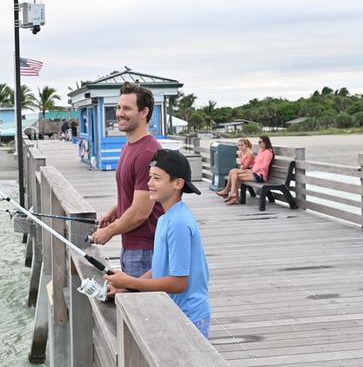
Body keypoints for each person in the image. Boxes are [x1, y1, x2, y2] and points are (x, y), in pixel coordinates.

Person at [106, 149, 211, 337]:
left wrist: (130, 280)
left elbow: (179, 283)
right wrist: (127, 286)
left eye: (156, 178)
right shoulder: (165, 218)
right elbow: (159, 268)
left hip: (188, 317)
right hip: (172, 312)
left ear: (178, 183)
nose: (149, 184)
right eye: (149, 177)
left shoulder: (179, 222)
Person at [91, 82, 164, 277]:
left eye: (127, 108)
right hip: (131, 245)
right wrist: (114, 213)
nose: (119, 113)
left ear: (144, 112)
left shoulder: (148, 152)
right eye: (118, 107)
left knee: (141, 306)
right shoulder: (128, 146)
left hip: (145, 249)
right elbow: (134, 194)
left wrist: (109, 232)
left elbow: (141, 211)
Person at [221, 135, 274, 205]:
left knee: (235, 175)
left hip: (260, 175)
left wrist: (253, 170)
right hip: (254, 172)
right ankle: (234, 195)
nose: (258, 143)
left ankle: (234, 195)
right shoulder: (261, 151)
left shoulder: (268, 152)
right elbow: (256, 163)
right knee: (233, 172)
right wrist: (252, 169)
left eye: (260, 142)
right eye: (258, 142)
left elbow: (265, 165)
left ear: (265, 142)